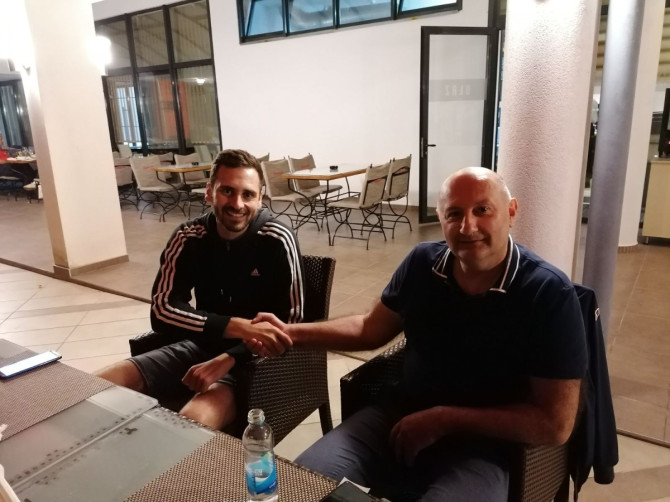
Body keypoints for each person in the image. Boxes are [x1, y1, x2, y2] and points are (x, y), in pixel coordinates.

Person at [251, 167, 587, 501]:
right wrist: (288, 332)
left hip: (484, 446)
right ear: (441, 218)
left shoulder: (547, 293)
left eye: (482, 210)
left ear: (511, 212)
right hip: (398, 419)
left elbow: (555, 424)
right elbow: (368, 328)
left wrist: (443, 419)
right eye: (454, 213)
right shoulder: (422, 263)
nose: (467, 227)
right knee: (300, 487)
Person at [97, 149, 298, 430]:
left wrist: (231, 356)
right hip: (199, 344)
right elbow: (162, 311)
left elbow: (290, 325)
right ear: (209, 192)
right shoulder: (189, 236)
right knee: (95, 386)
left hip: (252, 360)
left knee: (189, 423)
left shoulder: (276, 240)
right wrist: (237, 326)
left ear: (260, 198)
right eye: (227, 191)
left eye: (248, 194)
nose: (237, 203)